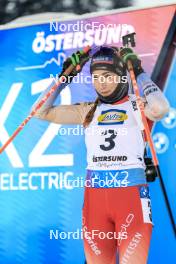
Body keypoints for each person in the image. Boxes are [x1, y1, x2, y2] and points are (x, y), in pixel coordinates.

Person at [31, 46, 170, 264]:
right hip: (94, 202)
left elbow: (161, 108)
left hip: (131, 200)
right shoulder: (89, 110)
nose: (101, 83)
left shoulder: (137, 105)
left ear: (122, 76)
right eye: (96, 77)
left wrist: (140, 72)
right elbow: (40, 110)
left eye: (107, 76)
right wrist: (64, 76)